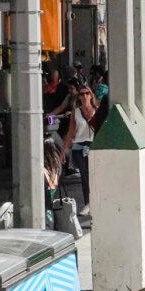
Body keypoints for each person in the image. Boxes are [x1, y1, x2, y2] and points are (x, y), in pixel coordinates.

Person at [60, 81, 98, 215]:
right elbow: (70, 132)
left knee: (94, 175)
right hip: (79, 147)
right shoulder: (75, 113)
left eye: (87, 93)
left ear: (91, 96)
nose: (85, 96)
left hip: (93, 146)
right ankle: (88, 203)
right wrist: (63, 151)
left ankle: (95, 202)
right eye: (82, 94)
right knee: (84, 175)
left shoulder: (97, 110)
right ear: (79, 97)